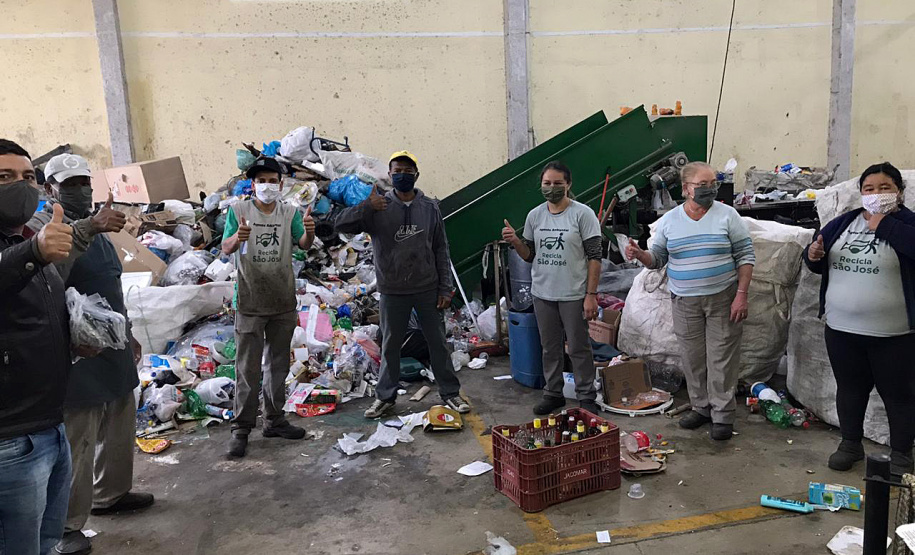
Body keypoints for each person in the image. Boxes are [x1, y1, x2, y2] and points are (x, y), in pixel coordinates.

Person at [26, 154, 153, 555]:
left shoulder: (100, 230)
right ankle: (65, 525)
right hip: (75, 349)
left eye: (85, 181)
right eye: (70, 183)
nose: (80, 189)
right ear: (49, 190)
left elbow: (111, 283)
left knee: (119, 420)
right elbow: (48, 280)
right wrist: (86, 227)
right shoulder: (40, 229)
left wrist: (129, 334)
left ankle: (111, 494)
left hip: (111, 342)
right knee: (77, 438)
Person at [335, 151, 470, 418]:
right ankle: (385, 397)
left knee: (438, 343)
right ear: (390, 174)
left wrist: (445, 287)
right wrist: (366, 207)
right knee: (390, 345)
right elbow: (339, 223)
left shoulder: (430, 208)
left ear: (416, 176)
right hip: (393, 290)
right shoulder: (378, 206)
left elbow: (441, 249)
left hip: (426, 288)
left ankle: (451, 394)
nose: (402, 176)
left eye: (408, 172)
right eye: (397, 171)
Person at [626, 161, 755, 441]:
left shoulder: (727, 216)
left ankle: (722, 415)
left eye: (713, 184)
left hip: (723, 297)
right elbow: (657, 259)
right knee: (693, 357)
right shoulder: (671, 220)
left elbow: (745, 256)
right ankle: (701, 408)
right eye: (702, 185)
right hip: (684, 301)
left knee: (721, 357)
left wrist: (741, 295)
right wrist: (640, 254)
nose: (709, 190)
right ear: (686, 189)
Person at [803, 162, 915, 477]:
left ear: (900, 192)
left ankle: (902, 454)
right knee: (850, 389)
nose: (876, 194)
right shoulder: (844, 223)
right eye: (869, 189)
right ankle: (850, 444)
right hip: (842, 329)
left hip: (894, 333)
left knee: (899, 395)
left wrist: (885, 225)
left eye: (884, 188)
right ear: (860, 194)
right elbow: (817, 258)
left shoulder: (908, 224)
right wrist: (812, 256)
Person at [0, 139, 75, 555]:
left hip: (49, 423)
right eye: (5, 177)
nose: (21, 185)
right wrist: (33, 251)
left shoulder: (28, 237)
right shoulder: (31, 245)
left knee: (47, 545)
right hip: (10, 438)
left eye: (28, 177)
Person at [222, 156, 315, 458]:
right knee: (247, 369)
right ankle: (241, 428)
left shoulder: (290, 213)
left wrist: (311, 230)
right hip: (250, 300)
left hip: (281, 299)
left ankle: (274, 420)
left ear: (281, 184)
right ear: (252, 184)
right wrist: (239, 236)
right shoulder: (239, 211)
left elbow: (303, 244)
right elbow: (226, 247)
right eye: (260, 180)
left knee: (278, 365)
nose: (266, 185)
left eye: (271, 180)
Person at [501, 161, 602, 415]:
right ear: (541, 186)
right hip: (543, 293)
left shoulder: (583, 215)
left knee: (578, 347)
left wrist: (591, 295)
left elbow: (595, 256)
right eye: (547, 183)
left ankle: (586, 395)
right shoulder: (535, 216)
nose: (552, 188)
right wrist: (515, 241)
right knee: (550, 347)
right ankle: (553, 392)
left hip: (573, 294)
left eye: (558, 183)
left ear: (568, 184)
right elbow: (529, 255)